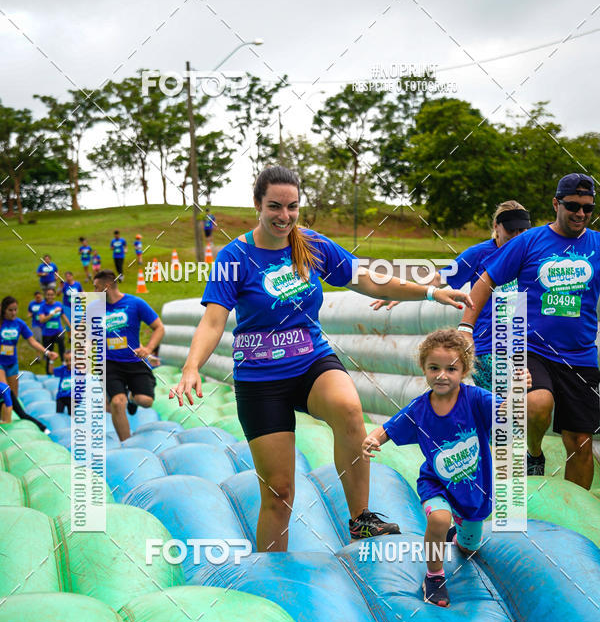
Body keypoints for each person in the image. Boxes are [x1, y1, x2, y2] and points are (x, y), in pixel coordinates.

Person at [172, 166, 472, 551]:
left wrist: (430, 292)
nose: (284, 216)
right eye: (275, 206)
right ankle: (270, 577)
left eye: (293, 207)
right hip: (260, 378)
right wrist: (192, 365)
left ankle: (361, 519)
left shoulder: (311, 245)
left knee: (349, 408)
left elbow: (366, 278)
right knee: (279, 494)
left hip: (311, 360)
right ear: (257, 206)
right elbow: (214, 320)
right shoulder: (236, 256)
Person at [362, 330, 531, 607]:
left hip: (474, 486)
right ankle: (434, 576)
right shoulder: (419, 409)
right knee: (439, 520)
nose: (442, 375)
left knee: (468, 548)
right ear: (424, 369)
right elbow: (389, 428)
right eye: (434, 368)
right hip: (436, 482)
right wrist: (373, 438)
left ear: (464, 370)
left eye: (451, 368)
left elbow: (504, 413)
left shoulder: (475, 399)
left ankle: (457, 534)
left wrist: (516, 391)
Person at [460, 173, 600, 489]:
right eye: (573, 206)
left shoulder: (597, 246)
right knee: (537, 405)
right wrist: (466, 328)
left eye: (587, 208)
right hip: (531, 348)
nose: (580, 214)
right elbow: (485, 280)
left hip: (580, 355)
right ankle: (533, 452)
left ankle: (572, 520)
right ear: (556, 203)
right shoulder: (529, 241)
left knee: (580, 442)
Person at [370, 201, 531, 391]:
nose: (517, 237)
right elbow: (440, 277)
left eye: (522, 231)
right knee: (504, 405)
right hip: (488, 346)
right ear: (496, 226)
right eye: (511, 231)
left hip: (521, 344)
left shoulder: (529, 253)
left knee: (520, 407)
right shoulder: (479, 254)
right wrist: (402, 292)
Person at [93, 270, 164, 441]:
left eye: (96, 288)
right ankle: (127, 445)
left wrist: (148, 349)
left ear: (107, 286)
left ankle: (132, 398)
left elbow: (159, 327)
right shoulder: (93, 309)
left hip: (134, 362)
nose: (94, 292)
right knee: (117, 403)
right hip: (109, 363)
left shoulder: (135, 303)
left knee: (146, 401)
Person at [0, 296, 57, 429]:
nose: (13, 313)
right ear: (4, 310)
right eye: (10, 310)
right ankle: (4, 424)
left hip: (12, 364)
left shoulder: (19, 323)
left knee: (14, 397)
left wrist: (47, 352)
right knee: (4, 391)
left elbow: (32, 341)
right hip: (0, 364)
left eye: (15, 310)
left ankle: (11, 422)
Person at [38, 287, 70, 375]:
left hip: (57, 331)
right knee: (49, 354)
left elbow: (63, 316)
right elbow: (42, 320)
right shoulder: (43, 306)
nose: (50, 296)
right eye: (48, 295)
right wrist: (52, 313)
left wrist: (70, 326)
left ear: (54, 295)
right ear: (46, 296)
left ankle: (64, 361)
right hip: (47, 334)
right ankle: (49, 372)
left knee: (61, 341)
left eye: (52, 295)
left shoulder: (59, 304)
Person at [53, 350, 72, 415]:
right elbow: (51, 371)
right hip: (61, 397)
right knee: (59, 415)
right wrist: (51, 361)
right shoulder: (63, 369)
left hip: (72, 397)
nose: (69, 363)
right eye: (67, 361)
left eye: (71, 360)